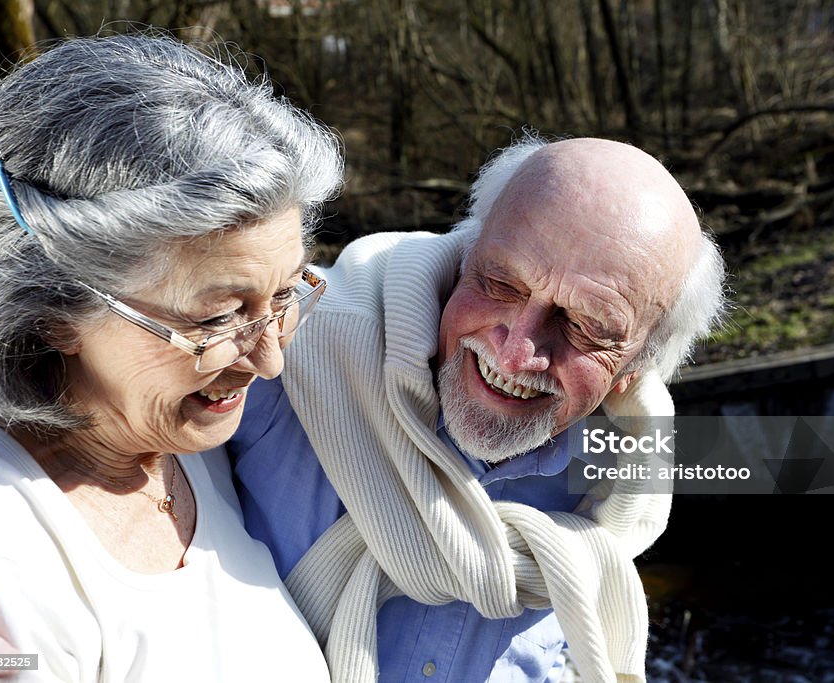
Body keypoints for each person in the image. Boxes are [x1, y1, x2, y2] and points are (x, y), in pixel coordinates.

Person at [231, 136, 727, 682]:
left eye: (583, 326)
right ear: (468, 248)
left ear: (638, 363)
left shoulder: (623, 472)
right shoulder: (282, 349)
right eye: (500, 283)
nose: (516, 354)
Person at [0, 33, 342, 681]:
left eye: (284, 295)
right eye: (218, 317)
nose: (269, 361)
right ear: (54, 308)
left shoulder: (190, 444)